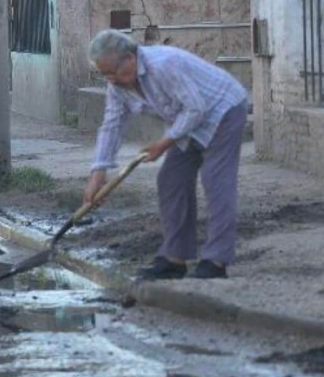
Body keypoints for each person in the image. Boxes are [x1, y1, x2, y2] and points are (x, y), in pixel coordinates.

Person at [83, 29, 248, 280]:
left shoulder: (164, 65)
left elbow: (196, 109)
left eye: (114, 71)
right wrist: (98, 172)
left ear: (130, 58)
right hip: (187, 119)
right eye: (104, 74)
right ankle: (174, 258)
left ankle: (216, 261)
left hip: (222, 110)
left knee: (216, 182)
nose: (111, 79)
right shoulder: (117, 85)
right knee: (171, 180)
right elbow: (112, 124)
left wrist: (164, 143)